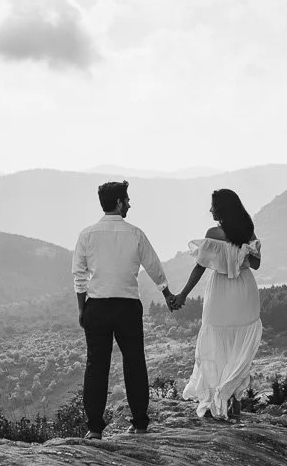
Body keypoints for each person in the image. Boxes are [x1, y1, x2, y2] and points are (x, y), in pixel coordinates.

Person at [72, 180, 180, 439]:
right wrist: (167, 294)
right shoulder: (135, 233)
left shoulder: (87, 234)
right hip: (128, 307)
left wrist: (81, 310)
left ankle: (95, 429)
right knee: (134, 363)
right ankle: (140, 423)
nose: (130, 203)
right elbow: (154, 266)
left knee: (96, 366)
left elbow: (79, 276)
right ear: (119, 203)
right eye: (127, 199)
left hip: (96, 306)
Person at [172, 188, 263, 420]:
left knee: (217, 342)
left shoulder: (213, 233)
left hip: (221, 291)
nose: (210, 210)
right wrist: (244, 250)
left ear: (222, 209)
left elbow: (199, 266)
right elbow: (256, 265)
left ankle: (219, 399)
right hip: (244, 290)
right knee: (239, 345)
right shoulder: (247, 231)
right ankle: (235, 400)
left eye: (213, 206)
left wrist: (182, 295)